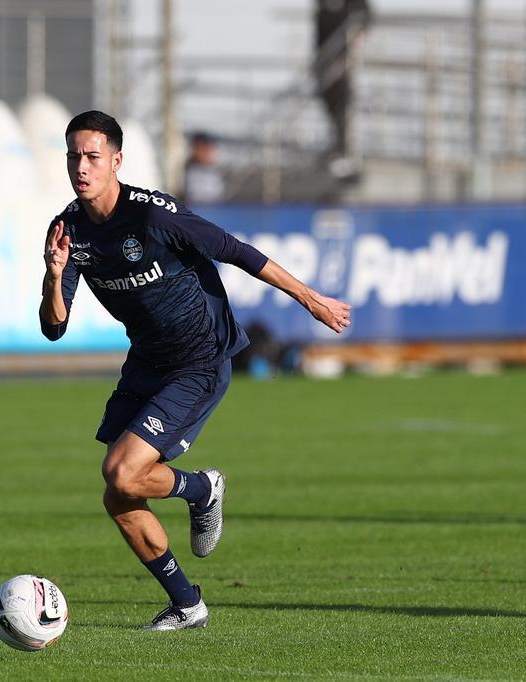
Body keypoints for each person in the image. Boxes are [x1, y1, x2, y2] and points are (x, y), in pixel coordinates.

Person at [40, 111, 350, 629]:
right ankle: (188, 604)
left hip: (200, 359)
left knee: (121, 469)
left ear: (116, 160)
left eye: (93, 156)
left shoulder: (154, 215)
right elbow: (54, 327)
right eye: (73, 155)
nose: (81, 166)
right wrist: (55, 277)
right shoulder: (67, 231)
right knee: (120, 495)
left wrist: (309, 298)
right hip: (146, 361)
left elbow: (236, 251)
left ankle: (202, 489)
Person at [314, 0, 372, 169]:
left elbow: (366, 17)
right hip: (323, 57)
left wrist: (356, 36)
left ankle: (344, 150)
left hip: (342, 59)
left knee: (342, 102)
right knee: (329, 101)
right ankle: (336, 147)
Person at [182, 131, 224, 204]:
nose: (207, 153)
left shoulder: (214, 170)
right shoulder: (186, 171)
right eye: (204, 149)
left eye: (210, 149)